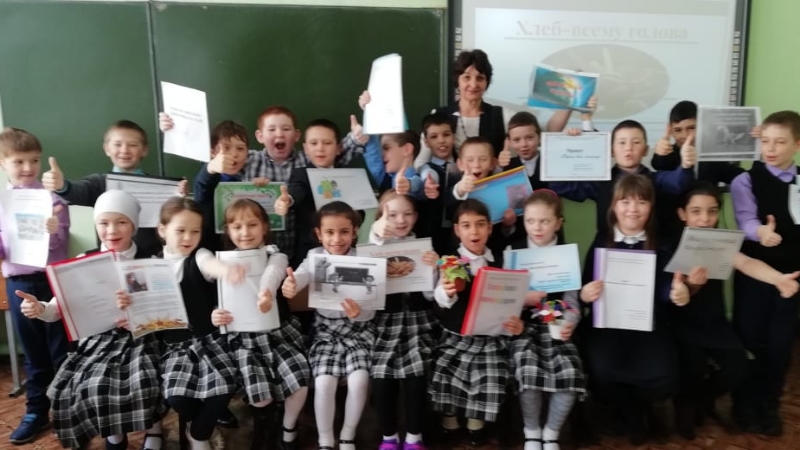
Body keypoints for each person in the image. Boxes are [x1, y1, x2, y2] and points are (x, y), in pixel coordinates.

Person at [18, 190, 166, 450]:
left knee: (144, 379)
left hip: (142, 338)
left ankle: (154, 429)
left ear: (133, 225)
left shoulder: (150, 260)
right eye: (103, 223)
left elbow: (165, 310)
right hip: (98, 341)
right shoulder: (82, 262)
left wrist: (137, 313)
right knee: (95, 384)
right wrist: (39, 308)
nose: (112, 230)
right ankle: (113, 433)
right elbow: (57, 309)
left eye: (121, 221)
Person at [670, 181, 800, 439]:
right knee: (691, 368)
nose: (705, 219)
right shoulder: (671, 243)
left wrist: (778, 279)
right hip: (682, 324)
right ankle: (685, 403)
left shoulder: (721, 241)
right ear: (682, 214)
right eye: (696, 211)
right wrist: (685, 288)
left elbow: (747, 263)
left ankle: (701, 399)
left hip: (715, 323)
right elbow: (675, 290)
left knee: (738, 368)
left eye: (712, 211)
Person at [579, 174, 678, 445]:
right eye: (625, 201)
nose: (632, 209)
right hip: (608, 325)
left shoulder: (662, 244)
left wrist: (675, 292)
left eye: (641, 202)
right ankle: (627, 412)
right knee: (602, 368)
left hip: (649, 325)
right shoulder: (602, 241)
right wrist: (586, 294)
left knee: (663, 373)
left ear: (651, 207)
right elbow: (584, 290)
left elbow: (666, 291)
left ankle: (641, 408)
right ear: (613, 206)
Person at [210, 199, 311, 450]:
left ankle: (288, 429)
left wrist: (266, 293)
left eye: (252, 224)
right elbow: (215, 298)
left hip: (278, 335)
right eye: (237, 226)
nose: (245, 232)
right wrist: (216, 315)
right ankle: (263, 432)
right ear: (228, 230)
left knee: (299, 382)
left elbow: (273, 273)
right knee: (259, 394)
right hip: (243, 341)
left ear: (264, 227)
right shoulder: (221, 262)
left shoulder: (276, 255)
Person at [281, 201, 375, 450]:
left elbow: (372, 304)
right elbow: (302, 274)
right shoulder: (315, 256)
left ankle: (347, 435)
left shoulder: (364, 258)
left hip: (358, 331)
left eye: (344, 231)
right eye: (329, 232)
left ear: (354, 231)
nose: (337, 239)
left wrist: (359, 314)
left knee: (360, 380)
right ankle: (325, 439)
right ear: (319, 234)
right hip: (325, 332)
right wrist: (292, 284)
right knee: (323, 382)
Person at [431, 199, 524, 447]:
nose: (474, 231)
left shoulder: (501, 262)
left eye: (480, 224)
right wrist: (447, 292)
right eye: (467, 225)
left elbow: (511, 301)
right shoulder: (450, 262)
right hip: (455, 334)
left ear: (490, 228)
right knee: (446, 371)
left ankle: (476, 423)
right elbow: (440, 296)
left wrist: (514, 322)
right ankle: (450, 419)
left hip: (489, 336)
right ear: (457, 230)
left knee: (489, 374)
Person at [155, 197, 247, 450]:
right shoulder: (151, 265)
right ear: (162, 230)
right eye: (180, 230)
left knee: (223, 389)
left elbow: (210, 264)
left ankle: (198, 433)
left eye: (195, 231)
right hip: (174, 346)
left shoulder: (199, 255)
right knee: (177, 397)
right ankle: (201, 425)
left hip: (210, 340)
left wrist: (226, 271)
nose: (188, 237)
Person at [730, 110, 800, 436]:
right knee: (749, 341)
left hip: (792, 279)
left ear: (797, 144)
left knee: (780, 345)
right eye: (766, 141)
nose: (770, 149)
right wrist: (761, 232)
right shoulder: (745, 180)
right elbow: (745, 219)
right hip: (754, 275)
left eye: (780, 142)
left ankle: (768, 405)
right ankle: (743, 405)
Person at [0, 127, 70, 445]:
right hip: (18, 284)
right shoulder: (2, 203)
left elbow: (61, 244)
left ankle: (69, 411)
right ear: (3, 163)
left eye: (34, 160)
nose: (28, 168)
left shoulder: (53, 199)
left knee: (61, 351)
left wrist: (53, 230)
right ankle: (36, 412)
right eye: (19, 161)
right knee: (34, 354)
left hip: (53, 282)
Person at [508, 190, 585, 450]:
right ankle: (531, 432)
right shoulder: (514, 251)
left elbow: (573, 301)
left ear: (558, 223)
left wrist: (570, 322)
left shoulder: (566, 256)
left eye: (544, 221)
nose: (537, 228)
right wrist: (522, 300)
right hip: (524, 328)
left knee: (570, 375)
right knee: (528, 373)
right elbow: (503, 299)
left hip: (556, 329)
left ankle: (551, 433)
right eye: (530, 221)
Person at [41, 120, 186, 256]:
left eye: (132, 145)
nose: (125, 150)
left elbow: (172, 219)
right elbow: (78, 191)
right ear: (107, 149)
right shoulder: (99, 183)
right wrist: (62, 185)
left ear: (144, 150)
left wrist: (179, 197)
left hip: (151, 258)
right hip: (110, 258)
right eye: (117, 144)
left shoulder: (159, 187)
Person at [413, 49, 571, 167]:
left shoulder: (502, 115)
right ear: (457, 81)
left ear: (486, 83)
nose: (473, 84)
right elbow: (422, 160)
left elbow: (547, 132)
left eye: (480, 78)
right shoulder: (439, 115)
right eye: (466, 77)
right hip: (450, 193)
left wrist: (572, 99)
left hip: (492, 192)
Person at [368, 191, 440, 450]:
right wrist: (377, 233)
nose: (401, 220)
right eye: (392, 215)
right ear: (380, 218)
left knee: (417, 376)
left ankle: (413, 437)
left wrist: (434, 268)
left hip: (418, 321)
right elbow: (374, 241)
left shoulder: (424, 246)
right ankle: (388, 437)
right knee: (381, 378)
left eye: (407, 214)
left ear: (416, 217)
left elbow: (431, 295)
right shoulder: (375, 244)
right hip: (384, 322)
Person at [551, 120, 696, 244]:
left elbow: (679, 183)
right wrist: (567, 146)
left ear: (646, 150)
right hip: (606, 249)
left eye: (636, 142)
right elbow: (559, 186)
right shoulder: (601, 181)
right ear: (611, 150)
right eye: (622, 142)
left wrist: (686, 165)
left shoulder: (654, 180)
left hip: (647, 250)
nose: (628, 148)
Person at [650, 100, 748, 244]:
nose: (685, 135)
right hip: (670, 234)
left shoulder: (713, 156)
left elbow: (739, 176)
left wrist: (759, 145)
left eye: (691, 128)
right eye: (678, 130)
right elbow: (658, 163)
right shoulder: (667, 154)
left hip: (707, 231)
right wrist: (660, 152)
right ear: (670, 131)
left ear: (702, 125)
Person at [273, 119, 366, 268]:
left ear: (338, 148)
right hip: (308, 252)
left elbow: (360, 213)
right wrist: (288, 199)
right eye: (314, 143)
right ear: (305, 148)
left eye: (327, 143)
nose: (320, 148)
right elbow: (298, 190)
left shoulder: (348, 176)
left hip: (345, 250)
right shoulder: (301, 175)